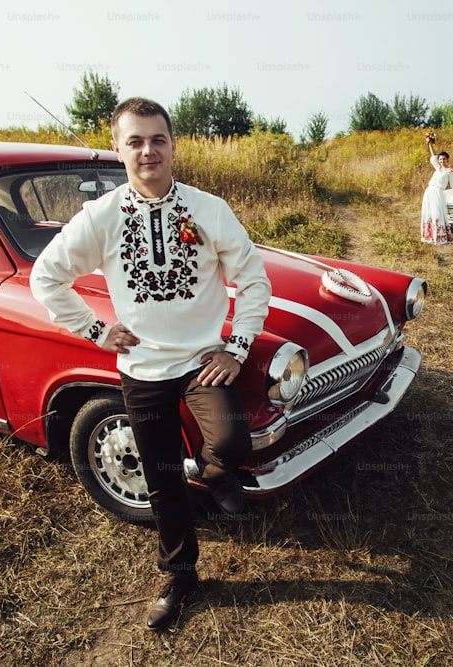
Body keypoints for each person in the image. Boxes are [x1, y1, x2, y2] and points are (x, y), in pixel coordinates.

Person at [30, 97, 272, 631]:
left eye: (157, 139)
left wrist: (237, 346)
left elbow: (254, 278)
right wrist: (96, 330)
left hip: (201, 360)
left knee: (233, 443)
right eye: (135, 141)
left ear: (173, 146)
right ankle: (180, 575)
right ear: (118, 150)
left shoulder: (208, 209)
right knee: (161, 478)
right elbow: (45, 278)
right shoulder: (101, 217)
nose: (148, 151)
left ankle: (210, 471)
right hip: (140, 368)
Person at [421, 134, 453, 245]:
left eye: (444, 159)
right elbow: (433, 156)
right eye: (441, 159)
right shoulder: (438, 168)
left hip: (438, 192)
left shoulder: (449, 171)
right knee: (430, 213)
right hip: (430, 191)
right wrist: (430, 143)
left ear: (447, 160)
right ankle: (430, 236)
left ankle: (440, 236)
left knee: (438, 213)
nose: (442, 161)